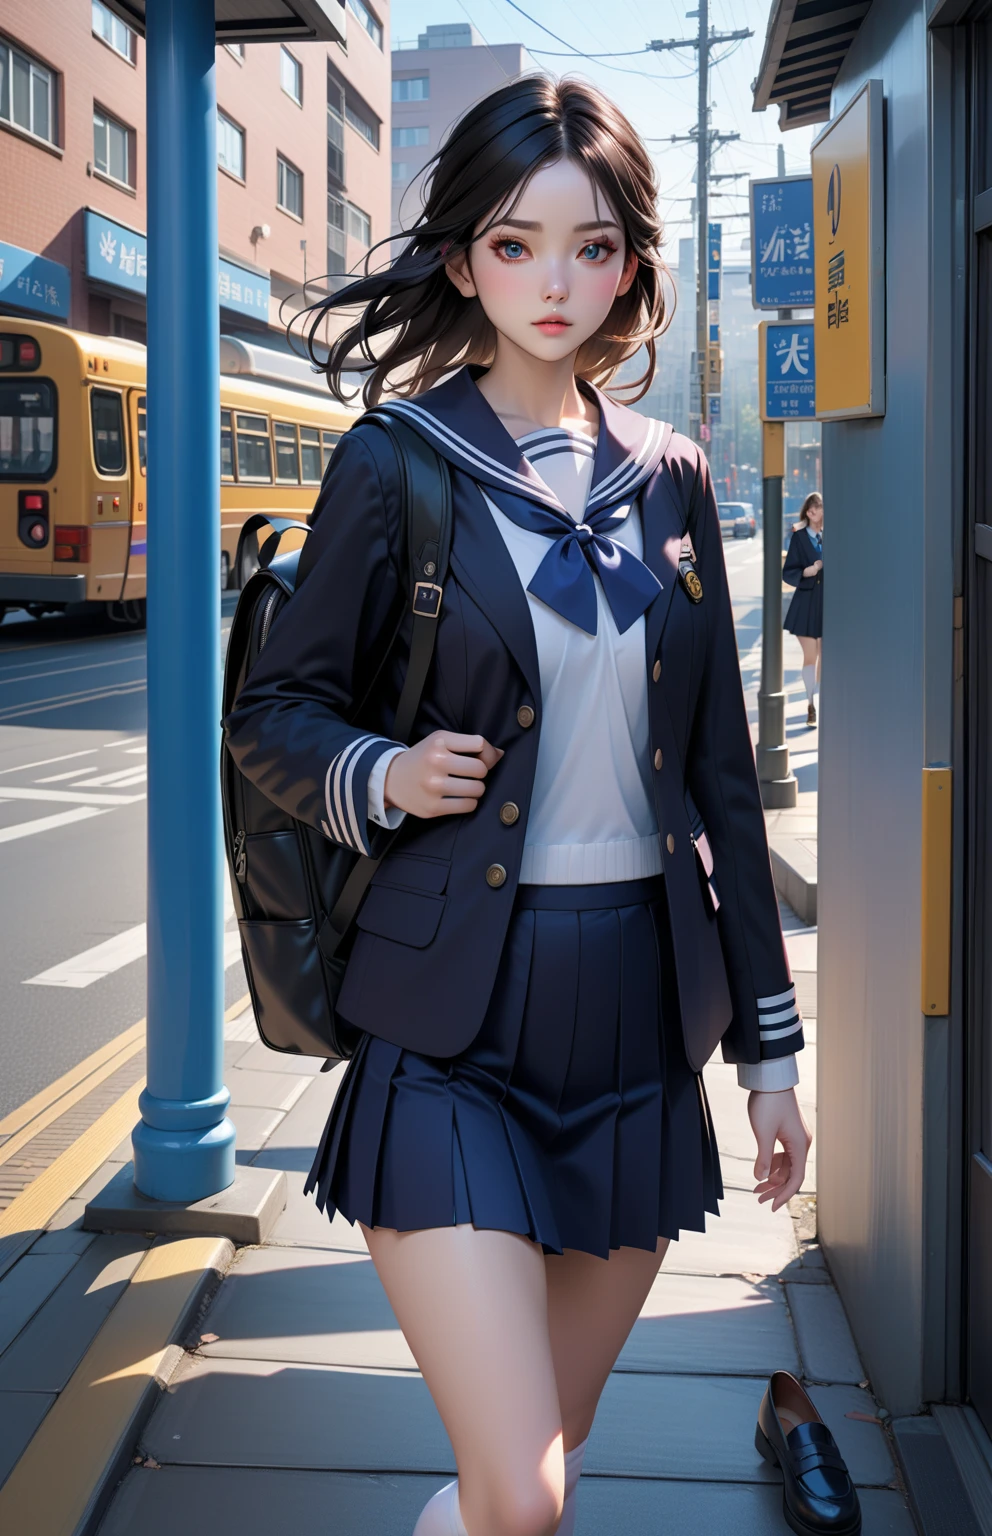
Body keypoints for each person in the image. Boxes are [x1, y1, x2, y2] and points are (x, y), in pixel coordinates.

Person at [225, 77, 814, 1536]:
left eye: (592, 246)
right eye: (513, 242)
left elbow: (723, 789)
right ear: (460, 258)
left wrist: (771, 1053)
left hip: (635, 1022)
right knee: (527, 1492)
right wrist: (385, 775)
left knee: (524, 1488)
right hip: (453, 1028)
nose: (554, 282)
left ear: (632, 265)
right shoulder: (397, 464)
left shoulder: (673, 482)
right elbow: (273, 716)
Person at [783, 492, 824, 726]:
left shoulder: (831, 534)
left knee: (825, 657)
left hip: (828, 603)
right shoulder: (799, 537)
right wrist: (807, 571)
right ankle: (811, 704)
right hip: (806, 603)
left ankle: (819, 700)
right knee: (811, 656)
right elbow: (788, 571)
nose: (817, 513)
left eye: (819, 508)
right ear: (808, 512)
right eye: (814, 509)